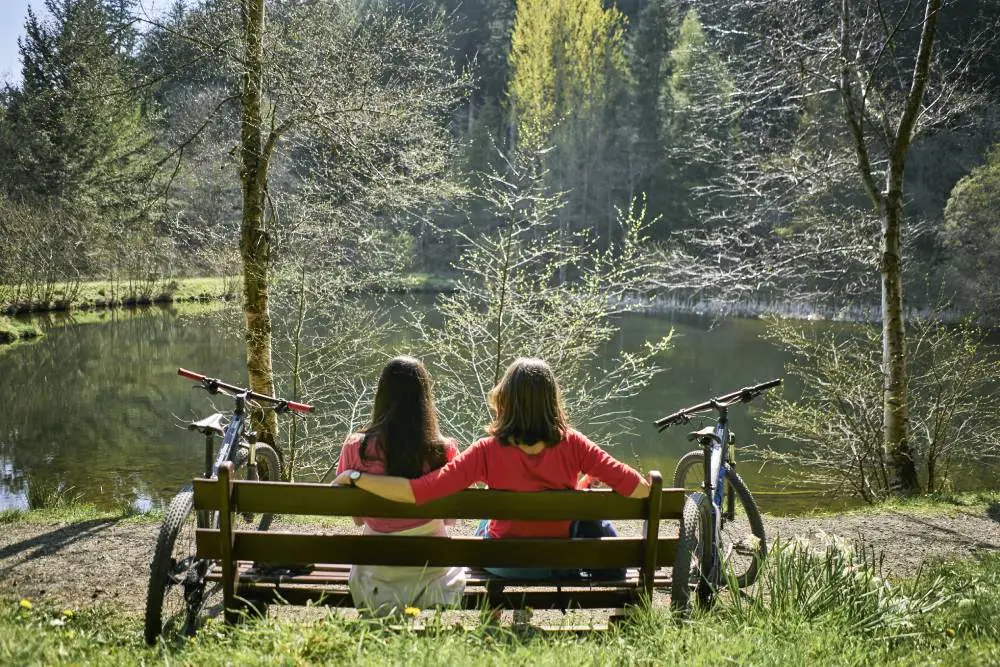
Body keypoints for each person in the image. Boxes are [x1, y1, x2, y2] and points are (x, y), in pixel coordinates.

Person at [333, 356, 652, 581]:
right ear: (552, 402)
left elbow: (417, 492)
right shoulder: (575, 445)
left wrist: (358, 477)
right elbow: (638, 488)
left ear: (505, 399)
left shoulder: (486, 451)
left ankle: (494, 613)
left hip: (502, 564)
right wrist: (579, 492)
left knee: (487, 523)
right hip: (557, 563)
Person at [334, 355, 465, 615]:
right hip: (432, 567)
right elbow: (450, 519)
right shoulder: (444, 450)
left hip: (376, 569)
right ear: (424, 399)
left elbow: (358, 519)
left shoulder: (355, 447)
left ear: (381, 396)